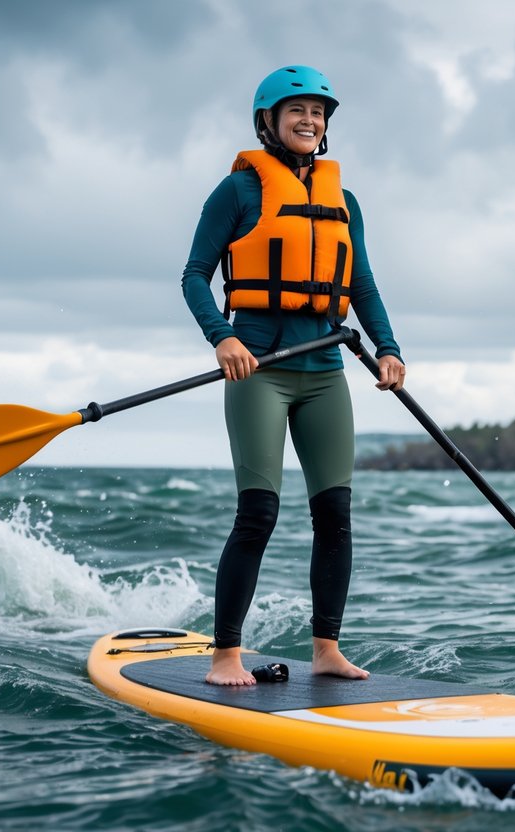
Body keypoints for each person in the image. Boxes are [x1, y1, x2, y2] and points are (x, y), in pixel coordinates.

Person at [181, 65, 406, 686]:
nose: (310, 121)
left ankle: (327, 649)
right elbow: (195, 274)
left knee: (335, 514)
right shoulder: (237, 192)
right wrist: (222, 336)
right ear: (269, 122)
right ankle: (225, 655)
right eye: (297, 111)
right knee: (258, 513)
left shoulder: (345, 201)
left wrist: (388, 347)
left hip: (325, 370)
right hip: (260, 369)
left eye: (319, 112)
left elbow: (360, 283)